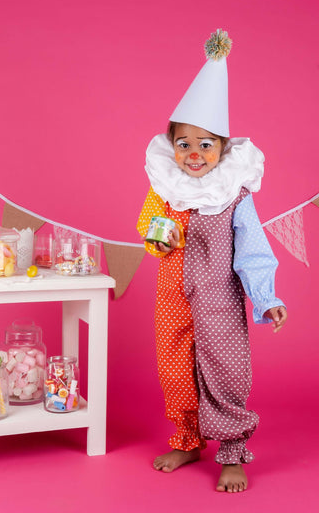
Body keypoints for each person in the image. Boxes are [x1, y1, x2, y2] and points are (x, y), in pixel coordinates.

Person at [136, 30, 287, 493]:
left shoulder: (233, 195)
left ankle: (232, 451)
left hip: (220, 299)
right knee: (176, 369)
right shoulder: (165, 190)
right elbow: (147, 228)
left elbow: (253, 249)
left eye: (205, 144)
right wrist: (155, 243)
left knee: (224, 367)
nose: (194, 154)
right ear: (172, 148)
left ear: (222, 149)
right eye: (184, 144)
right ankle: (187, 439)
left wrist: (266, 298)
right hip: (173, 298)